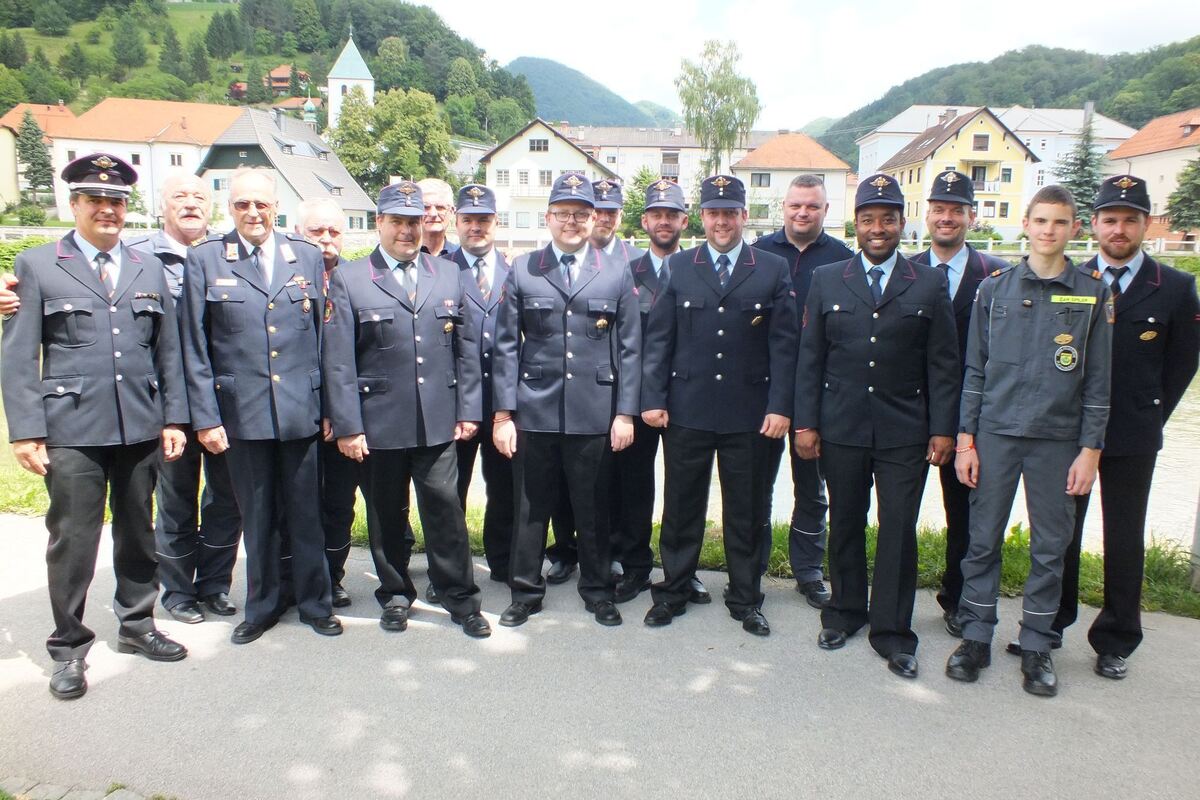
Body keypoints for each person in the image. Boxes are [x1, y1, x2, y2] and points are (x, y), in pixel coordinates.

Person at [1, 153, 190, 700]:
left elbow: (167, 350)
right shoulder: (38, 264)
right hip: (72, 429)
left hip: (138, 423)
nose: (107, 209)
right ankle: (68, 647)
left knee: (139, 533)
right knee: (74, 541)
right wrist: (25, 432)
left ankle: (137, 626)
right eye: (96, 200)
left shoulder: (146, 265)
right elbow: (18, 357)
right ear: (74, 205)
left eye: (117, 201)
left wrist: (173, 416)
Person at [946, 185, 1112, 697]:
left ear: (1073, 229)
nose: (1048, 231)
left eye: (1059, 223)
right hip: (995, 434)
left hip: (1058, 439)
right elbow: (975, 367)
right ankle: (975, 635)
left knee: (1050, 547)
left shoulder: (1091, 292)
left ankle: (1038, 643)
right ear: (1025, 224)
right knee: (981, 541)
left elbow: (1099, 380)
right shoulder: (994, 289)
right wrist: (966, 439)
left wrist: (1091, 450)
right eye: (1040, 221)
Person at [1032, 175, 1199, 679]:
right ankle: (1052, 623)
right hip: (1070, 430)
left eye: (1130, 220)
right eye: (1111, 220)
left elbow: (1181, 366)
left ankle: (1116, 637)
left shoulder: (1174, 288)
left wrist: (1149, 413)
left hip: (1131, 434)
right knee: (1061, 531)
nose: (1119, 229)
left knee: (1123, 536)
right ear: (1095, 226)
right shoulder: (1072, 278)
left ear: (1146, 225)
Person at [794, 173, 959, 679]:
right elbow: (811, 359)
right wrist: (806, 423)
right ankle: (843, 612)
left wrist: (944, 430)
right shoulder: (828, 280)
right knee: (844, 521)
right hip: (840, 426)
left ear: (901, 225)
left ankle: (892, 631)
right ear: (856, 224)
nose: (878, 228)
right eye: (869, 220)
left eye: (887, 219)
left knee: (897, 532)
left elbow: (943, 364)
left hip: (904, 430)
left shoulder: (929, 283)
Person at [322, 181, 489, 638]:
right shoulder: (351, 278)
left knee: (446, 514)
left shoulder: (449, 274)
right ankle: (395, 595)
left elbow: (467, 349)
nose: (406, 230)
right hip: (378, 424)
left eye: (413, 222)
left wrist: (469, 409)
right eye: (397, 221)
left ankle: (460, 599)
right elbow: (338, 360)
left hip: (437, 420)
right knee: (386, 516)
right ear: (379, 223)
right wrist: (348, 426)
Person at [181, 166, 340, 644]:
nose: (253, 212)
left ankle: (316, 603)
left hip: (300, 411)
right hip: (241, 414)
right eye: (243, 204)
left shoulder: (306, 257)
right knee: (258, 515)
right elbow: (194, 345)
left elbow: (321, 342)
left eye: (262, 204)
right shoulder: (206, 259)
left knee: (306, 513)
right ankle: (263, 606)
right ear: (229, 209)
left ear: (276, 208)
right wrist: (205, 417)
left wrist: (329, 408)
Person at [641, 174, 798, 636]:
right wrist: (653, 398)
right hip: (686, 408)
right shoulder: (681, 267)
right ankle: (674, 589)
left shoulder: (771, 269)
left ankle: (746, 597)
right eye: (714, 212)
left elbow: (785, 346)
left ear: (744, 216)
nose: (722, 221)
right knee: (681, 505)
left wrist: (780, 406)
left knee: (746, 510)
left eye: (730, 212)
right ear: (702, 218)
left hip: (750, 414)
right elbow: (659, 340)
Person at [492, 172, 641, 627]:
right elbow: (505, 346)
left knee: (592, 506)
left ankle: (597, 590)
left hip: (594, 411)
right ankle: (525, 591)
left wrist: (625, 413)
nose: (571, 222)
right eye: (562, 214)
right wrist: (503, 414)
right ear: (548, 217)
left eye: (580, 214)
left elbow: (630, 347)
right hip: (535, 407)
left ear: (594, 218)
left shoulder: (616, 271)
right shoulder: (525, 268)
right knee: (531, 507)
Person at [130, 174, 242, 624]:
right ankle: (177, 591)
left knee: (226, 498)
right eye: (180, 196)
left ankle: (214, 584)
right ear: (162, 206)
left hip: (223, 399)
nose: (191, 204)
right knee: (175, 499)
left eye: (200, 197)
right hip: (169, 401)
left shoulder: (224, 255)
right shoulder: (136, 255)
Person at [908, 170, 1009, 636]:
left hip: (971, 417)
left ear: (972, 216)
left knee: (965, 516)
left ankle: (956, 598)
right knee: (896, 512)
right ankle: (891, 594)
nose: (947, 218)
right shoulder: (903, 269)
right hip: (907, 411)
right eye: (939, 209)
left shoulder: (996, 275)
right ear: (926, 215)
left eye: (956, 210)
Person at [752, 174, 852, 608]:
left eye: (812, 206)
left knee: (811, 488)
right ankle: (750, 564)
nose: (802, 213)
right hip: (763, 393)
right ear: (784, 208)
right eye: (795, 205)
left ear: (825, 210)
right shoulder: (757, 255)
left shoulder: (843, 260)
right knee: (756, 485)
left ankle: (808, 571)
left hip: (819, 395)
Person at [611, 178, 709, 604]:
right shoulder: (623, 274)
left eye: (673, 214)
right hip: (636, 396)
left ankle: (681, 572)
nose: (664, 221)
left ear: (685, 220)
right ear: (645, 220)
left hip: (688, 397)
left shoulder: (702, 268)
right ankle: (634, 565)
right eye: (657, 214)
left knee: (686, 490)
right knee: (633, 486)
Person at [449, 183, 514, 584]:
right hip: (455, 403)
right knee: (449, 492)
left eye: (484, 220)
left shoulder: (517, 272)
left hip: (504, 403)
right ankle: (453, 571)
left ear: (496, 222)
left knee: (505, 488)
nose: (476, 227)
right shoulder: (438, 271)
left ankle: (504, 561)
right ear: (457, 222)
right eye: (469, 219)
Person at [295, 197, 356, 608]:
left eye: (334, 231)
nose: (326, 240)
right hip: (295, 412)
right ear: (300, 233)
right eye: (317, 231)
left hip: (345, 417)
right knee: (297, 503)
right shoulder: (284, 278)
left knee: (338, 502)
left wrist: (339, 410)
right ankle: (299, 577)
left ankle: (333, 576)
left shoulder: (357, 279)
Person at [417, 178, 455, 258]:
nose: (433, 214)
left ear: (451, 212)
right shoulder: (404, 255)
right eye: (426, 207)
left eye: (440, 207)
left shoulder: (462, 257)